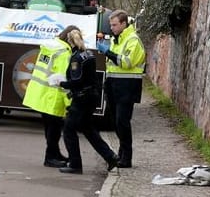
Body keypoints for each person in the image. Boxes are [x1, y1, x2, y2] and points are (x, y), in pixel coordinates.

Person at [55, 28, 119, 174]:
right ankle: (110, 157)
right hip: (91, 97)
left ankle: (75, 164)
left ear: (69, 42)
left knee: (69, 130)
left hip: (82, 99)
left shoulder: (76, 58)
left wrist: (61, 84)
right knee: (89, 130)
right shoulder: (89, 54)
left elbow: (77, 80)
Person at [22, 25, 77, 168]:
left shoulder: (50, 47)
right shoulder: (64, 53)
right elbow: (62, 79)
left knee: (50, 127)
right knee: (54, 128)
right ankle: (50, 157)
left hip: (40, 93)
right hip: (52, 96)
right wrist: (69, 102)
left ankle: (55, 153)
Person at [97, 9, 146, 168]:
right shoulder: (116, 39)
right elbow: (112, 64)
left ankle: (127, 157)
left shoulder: (133, 40)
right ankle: (121, 153)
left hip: (127, 85)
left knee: (122, 121)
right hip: (113, 84)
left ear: (124, 24)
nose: (112, 28)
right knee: (116, 122)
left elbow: (126, 62)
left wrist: (108, 52)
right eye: (111, 25)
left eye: (115, 25)